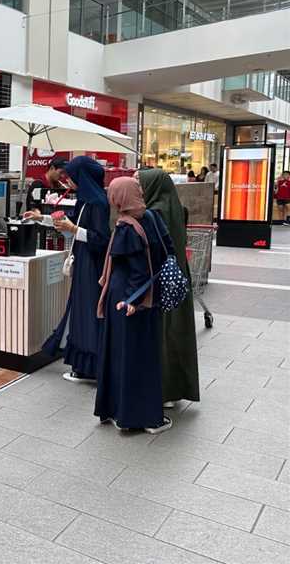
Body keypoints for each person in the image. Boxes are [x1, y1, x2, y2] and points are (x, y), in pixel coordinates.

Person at [94, 177, 174, 434]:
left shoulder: (127, 227)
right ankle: (136, 413)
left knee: (126, 356)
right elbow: (167, 249)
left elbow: (136, 270)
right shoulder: (151, 217)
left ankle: (128, 414)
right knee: (142, 356)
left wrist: (131, 300)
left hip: (126, 300)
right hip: (147, 297)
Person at [27, 156, 110, 382]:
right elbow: (68, 223)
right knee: (81, 311)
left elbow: (101, 239)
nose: (67, 180)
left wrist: (74, 230)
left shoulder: (99, 204)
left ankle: (90, 367)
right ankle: (83, 366)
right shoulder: (86, 201)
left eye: (71, 176)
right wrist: (41, 218)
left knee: (87, 312)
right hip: (84, 261)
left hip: (93, 265)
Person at [139, 169, 200, 406]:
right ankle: (175, 386)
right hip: (175, 277)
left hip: (160, 280)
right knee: (176, 332)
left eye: (141, 184)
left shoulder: (155, 212)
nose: (139, 189)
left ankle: (164, 389)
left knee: (163, 333)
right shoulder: (174, 207)